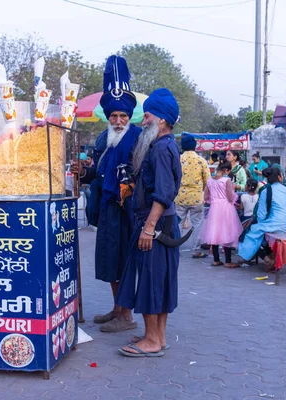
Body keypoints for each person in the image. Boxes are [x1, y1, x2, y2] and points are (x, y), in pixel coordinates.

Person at [69, 55, 142, 333]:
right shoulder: (103, 139)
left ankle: (127, 316)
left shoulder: (137, 137)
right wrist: (82, 173)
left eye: (123, 115)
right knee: (111, 261)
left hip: (128, 211)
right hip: (107, 209)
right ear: (108, 117)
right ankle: (117, 308)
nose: (119, 120)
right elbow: (97, 175)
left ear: (129, 116)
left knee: (124, 261)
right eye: (114, 115)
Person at [116, 88, 182, 358]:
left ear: (162, 121)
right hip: (158, 225)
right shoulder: (161, 146)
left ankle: (153, 340)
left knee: (152, 283)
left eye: (148, 115)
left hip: (156, 226)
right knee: (159, 281)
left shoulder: (162, 149)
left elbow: (163, 195)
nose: (143, 121)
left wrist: (148, 228)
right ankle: (157, 337)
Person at [238, 166, 286, 268]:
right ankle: (272, 257)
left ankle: (267, 259)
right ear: (280, 177)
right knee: (259, 234)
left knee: (248, 235)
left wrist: (261, 225)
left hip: (274, 225)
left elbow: (261, 215)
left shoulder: (266, 191)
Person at [199, 161, 243, 268]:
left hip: (214, 208)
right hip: (226, 208)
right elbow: (230, 197)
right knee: (227, 232)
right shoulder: (226, 180)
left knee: (215, 232)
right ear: (226, 170)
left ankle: (216, 260)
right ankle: (228, 261)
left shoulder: (210, 180)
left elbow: (205, 197)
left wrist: (214, 199)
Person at [175, 134, 210, 259]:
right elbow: (207, 180)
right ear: (195, 146)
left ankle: (175, 248)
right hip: (196, 198)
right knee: (196, 224)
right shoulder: (201, 161)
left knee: (178, 223)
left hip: (180, 197)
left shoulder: (177, 159)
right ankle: (195, 250)